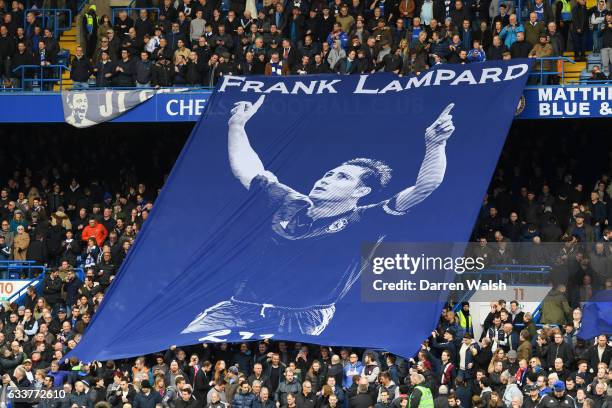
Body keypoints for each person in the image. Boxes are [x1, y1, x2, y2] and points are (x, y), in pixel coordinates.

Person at [182, 95, 455, 336]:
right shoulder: (290, 203)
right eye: (328, 173)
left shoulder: (367, 220)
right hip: (241, 307)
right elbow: (249, 169)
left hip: (303, 318)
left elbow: (425, 188)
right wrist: (236, 125)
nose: (326, 179)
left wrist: (435, 144)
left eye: (342, 177)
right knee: (183, 341)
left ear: (362, 190)